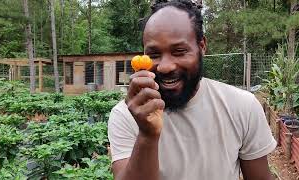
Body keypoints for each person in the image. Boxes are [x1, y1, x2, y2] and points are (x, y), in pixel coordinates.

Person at [108, 0, 277, 179]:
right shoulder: (126, 115)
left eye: (179, 51)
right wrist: (147, 134)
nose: (165, 67)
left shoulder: (242, 106)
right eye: (154, 55)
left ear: (202, 46)